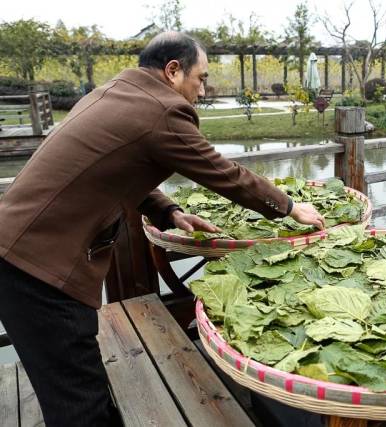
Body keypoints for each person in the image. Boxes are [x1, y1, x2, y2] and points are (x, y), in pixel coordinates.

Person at [0, 32, 325, 426]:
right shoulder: (162, 109)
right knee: (78, 404)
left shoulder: (117, 91)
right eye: (201, 78)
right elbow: (224, 173)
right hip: (38, 271)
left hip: (17, 253)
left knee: (73, 385)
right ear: (173, 71)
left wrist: (169, 211)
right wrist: (290, 207)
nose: (203, 91)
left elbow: (116, 167)